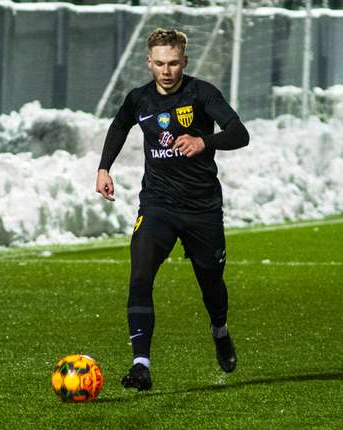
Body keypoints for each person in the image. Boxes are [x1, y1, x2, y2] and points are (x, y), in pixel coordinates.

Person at [96, 28, 249, 391]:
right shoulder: (139, 99)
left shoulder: (202, 93)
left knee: (211, 283)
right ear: (149, 62)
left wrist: (204, 141)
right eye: (160, 63)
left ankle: (220, 329)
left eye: (174, 63)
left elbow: (239, 133)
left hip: (202, 208)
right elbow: (119, 126)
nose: (167, 71)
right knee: (140, 275)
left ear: (185, 61)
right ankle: (141, 365)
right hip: (158, 205)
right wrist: (103, 168)